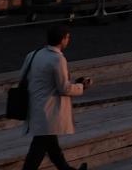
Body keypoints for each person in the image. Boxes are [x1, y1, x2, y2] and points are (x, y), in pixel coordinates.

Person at [21, 23, 89, 170]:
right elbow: (64, 88)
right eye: (68, 37)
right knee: (38, 150)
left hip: (35, 107)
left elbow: (24, 78)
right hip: (48, 112)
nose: (68, 40)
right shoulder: (58, 59)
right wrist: (81, 86)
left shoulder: (33, 54)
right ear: (63, 39)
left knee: (52, 149)